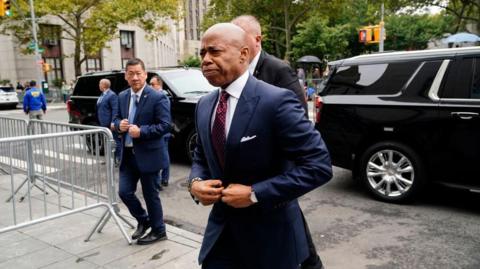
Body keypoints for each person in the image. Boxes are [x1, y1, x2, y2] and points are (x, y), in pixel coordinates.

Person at [188, 23, 332, 269]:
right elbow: (201, 154)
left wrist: (255, 193)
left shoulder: (276, 101)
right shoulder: (204, 104)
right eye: (202, 54)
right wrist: (196, 183)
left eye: (215, 52)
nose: (206, 60)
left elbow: (319, 167)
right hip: (220, 239)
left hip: (271, 243)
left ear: (243, 54)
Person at [232, 14, 323, 269]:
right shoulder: (233, 72)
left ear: (257, 40)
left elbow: (298, 118)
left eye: (238, 37)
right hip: (247, 173)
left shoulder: (277, 69)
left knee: (293, 229)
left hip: (275, 172)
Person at [113, 58, 171, 245]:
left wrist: (142, 131)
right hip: (128, 155)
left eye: (139, 73)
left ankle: (159, 230)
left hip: (149, 155)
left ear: (145, 74)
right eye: (131, 74)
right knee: (124, 192)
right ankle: (144, 220)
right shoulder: (121, 96)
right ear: (126, 76)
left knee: (150, 195)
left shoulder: (157, 97)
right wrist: (117, 125)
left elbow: (165, 125)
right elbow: (114, 120)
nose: (135, 77)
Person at [231, 15, 308, 118]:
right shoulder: (232, 70)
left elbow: (299, 115)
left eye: (240, 39)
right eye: (231, 40)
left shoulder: (279, 70)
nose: (234, 45)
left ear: (257, 40)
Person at [149, 75, 171, 188]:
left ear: (159, 85)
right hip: (162, 132)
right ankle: (163, 179)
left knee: (161, 156)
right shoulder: (161, 95)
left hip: (161, 132)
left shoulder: (161, 96)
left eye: (152, 84)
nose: (150, 86)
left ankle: (161, 180)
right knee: (163, 156)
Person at [96, 78, 121, 165]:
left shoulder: (112, 95)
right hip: (103, 123)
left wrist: (113, 121)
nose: (99, 85)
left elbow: (115, 109)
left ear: (104, 85)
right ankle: (109, 159)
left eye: (100, 84)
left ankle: (118, 159)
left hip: (110, 123)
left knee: (115, 141)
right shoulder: (103, 94)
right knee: (106, 142)